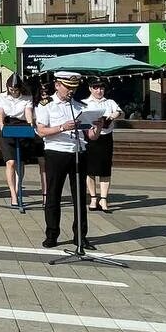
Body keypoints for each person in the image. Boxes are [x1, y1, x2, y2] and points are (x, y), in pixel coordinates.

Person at [36, 71, 101, 249]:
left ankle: (80, 236)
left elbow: (91, 136)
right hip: (56, 152)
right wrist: (62, 127)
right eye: (67, 87)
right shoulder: (46, 105)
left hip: (78, 152)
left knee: (79, 196)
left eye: (74, 87)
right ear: (57, 85)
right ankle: (52, 234)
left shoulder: (80, 106)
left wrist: (99, 125)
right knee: (53, 195)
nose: (71, 91)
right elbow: (41, 131)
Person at [0, 74, 44, 208]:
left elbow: (28, 111)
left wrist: (30, 124)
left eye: (16, 89)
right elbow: (0, 112)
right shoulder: (1, 97)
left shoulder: (27, 97)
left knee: (20, 162)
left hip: (22, 126)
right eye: (11, 89)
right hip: (7, 126)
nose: (14, 91)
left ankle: (18, 188)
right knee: (10, 162)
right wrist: (1, 125)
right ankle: (13, 194)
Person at [83, 78, 122, 212]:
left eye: (101, 88)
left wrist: (113, 116)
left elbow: (119, 112)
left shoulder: (109, 102)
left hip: (106, 137)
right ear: (90, 88)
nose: (99, 91)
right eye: (96, 88)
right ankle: (93, 198)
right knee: (90, 169)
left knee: (105, 169)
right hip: (91, 138)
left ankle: (104, 199)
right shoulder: (85, 103)